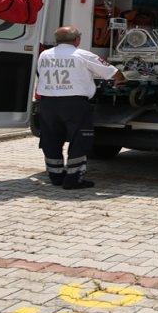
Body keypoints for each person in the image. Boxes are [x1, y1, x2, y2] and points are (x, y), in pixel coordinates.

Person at [35, 25, 126, 190]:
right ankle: (74, 179)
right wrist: (121, 79)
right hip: (74, 104)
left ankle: (56, 177)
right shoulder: (82, 55)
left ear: (57, 40)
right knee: (80, 139)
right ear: (77, 40)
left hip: (48, 103)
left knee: (51, 139)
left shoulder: (44, 55)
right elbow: (113, 73)